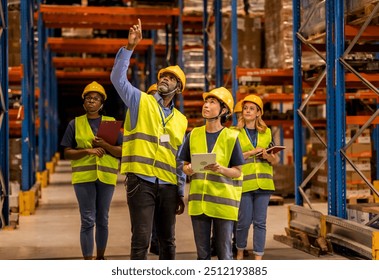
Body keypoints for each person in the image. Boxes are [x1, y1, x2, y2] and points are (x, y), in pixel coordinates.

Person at [110, 19, 188, 260]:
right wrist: (130, 47)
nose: (164, 79)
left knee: (168, 242)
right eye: (162, 76)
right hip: (140, 181)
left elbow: (178, 157)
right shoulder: (140, 101)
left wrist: (180, 191)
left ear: (178, 88)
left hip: (167, 185)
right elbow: (117, 79)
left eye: (170, 78)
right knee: (141, 239)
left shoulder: (181, 120)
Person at [178, 87, 244, 260]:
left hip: (223, 205)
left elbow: (237, 172)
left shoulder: (231, 137)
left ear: (223, 110)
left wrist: (221, 169)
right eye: (206, 102)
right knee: (202, 256)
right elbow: (183, 165)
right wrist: (188, 169)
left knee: (224, 255)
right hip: (199, 205)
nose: (206, 105)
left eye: (212, 102)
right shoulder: (194, 135)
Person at [60, 81, 122, 260]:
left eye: (95, 98)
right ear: (83, 102)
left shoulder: (111, 124)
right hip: (83, 178)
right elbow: (67, 153)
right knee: (87, 220)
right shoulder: (75, 123)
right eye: (88, 98)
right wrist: (87, 151)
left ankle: (100, 257)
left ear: (102, 103)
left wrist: (105, 145)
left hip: (106, 177)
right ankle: (88, 260)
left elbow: (122, 151)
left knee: (103, 219)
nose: (91, 101)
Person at [234, 94, 277, 260]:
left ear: (259, 113)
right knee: (243, 222)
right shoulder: (235, 133)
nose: (247, 111)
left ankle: (258, 256)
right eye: (245, 108)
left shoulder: (266, 133)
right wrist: (251, 152)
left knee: (260, 222)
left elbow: (275, 159)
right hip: (244, 183)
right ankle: (240, 250)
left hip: (264, 184)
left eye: (252, 109)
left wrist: (268, 156)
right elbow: (232, 158)